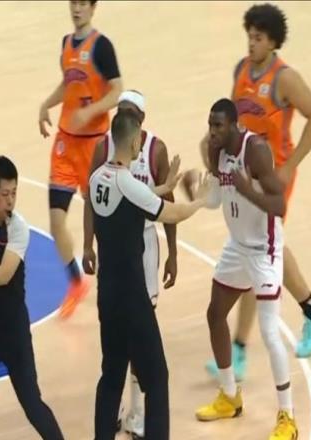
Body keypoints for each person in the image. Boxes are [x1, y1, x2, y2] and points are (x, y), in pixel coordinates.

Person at [190, 3, 311, 381]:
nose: (251, 43)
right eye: (249, 36)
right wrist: (213, 144)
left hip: (272, 174)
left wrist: (290, 165)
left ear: (273, 42)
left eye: (258, 38)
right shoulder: (242, 70)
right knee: (261, 249)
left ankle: (240, 349)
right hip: (243, 170)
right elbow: (234, 117)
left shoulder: (285, 78)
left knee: (259, 250)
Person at [89, 109, 211, 440]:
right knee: (157, 377)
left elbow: (130, 199)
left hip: (106, 293)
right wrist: (200, 201)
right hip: (132, 296)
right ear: (133, 143)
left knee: (111, 374)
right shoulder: (128, 183)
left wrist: (164, 186)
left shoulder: (97, 177)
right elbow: (173, 213)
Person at [194, 98, 297, 439]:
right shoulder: (218, 153)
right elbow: (216, 200)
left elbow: (279, 205)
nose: (212, 132)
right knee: (214, 314)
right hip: (237, 246)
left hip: (264, 249)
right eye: (210, 125)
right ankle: (229, 396)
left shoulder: (256, 151)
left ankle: (287, 417)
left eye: (218, 126)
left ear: (234, 125)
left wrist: (246, 189)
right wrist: (194, 192)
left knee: (269, 333)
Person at [83, 90, 177, 439]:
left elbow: (148, 195)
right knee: (154, 370)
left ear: (141, 120)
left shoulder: (148, 153)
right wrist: (200, 201)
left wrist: (173, 251)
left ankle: (134, 414)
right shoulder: (114, 163)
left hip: (117, 275)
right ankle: (142, 419)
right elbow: (164, 207)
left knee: (114, 368)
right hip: (131, 272)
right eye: (121, 111)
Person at [0, 156, 64, 440]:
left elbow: (3, 274)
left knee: (32, 404)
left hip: (13, 329)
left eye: (14, 193)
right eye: (4, 194)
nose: (10, 201)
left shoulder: (17, 228)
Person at [38, 0, 123, 319]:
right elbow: (68, 83)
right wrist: (46, 104)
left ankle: (116, 279)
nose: (76, 9)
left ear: (92, 8)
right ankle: (76, 282)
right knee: (56, 220)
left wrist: (90, 112)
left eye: (82, 4)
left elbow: (117, 91)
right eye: (73, 3)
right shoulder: (66, 43)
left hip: (93, 147)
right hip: (65, 143)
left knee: (101, 221)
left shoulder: (101, 46)